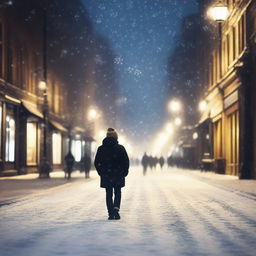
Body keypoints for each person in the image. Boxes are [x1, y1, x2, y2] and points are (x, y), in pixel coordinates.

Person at [94, 128, 129, 220]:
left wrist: (101, 172)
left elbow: (97, 162)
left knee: (108, 193)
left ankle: (110, 212)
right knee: (118, 192)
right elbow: (126, 161)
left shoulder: (101, 149)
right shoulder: (120, 148)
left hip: (106, 174)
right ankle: (116, 210)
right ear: (116, 137)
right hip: (118, 174)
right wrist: (124, 172)